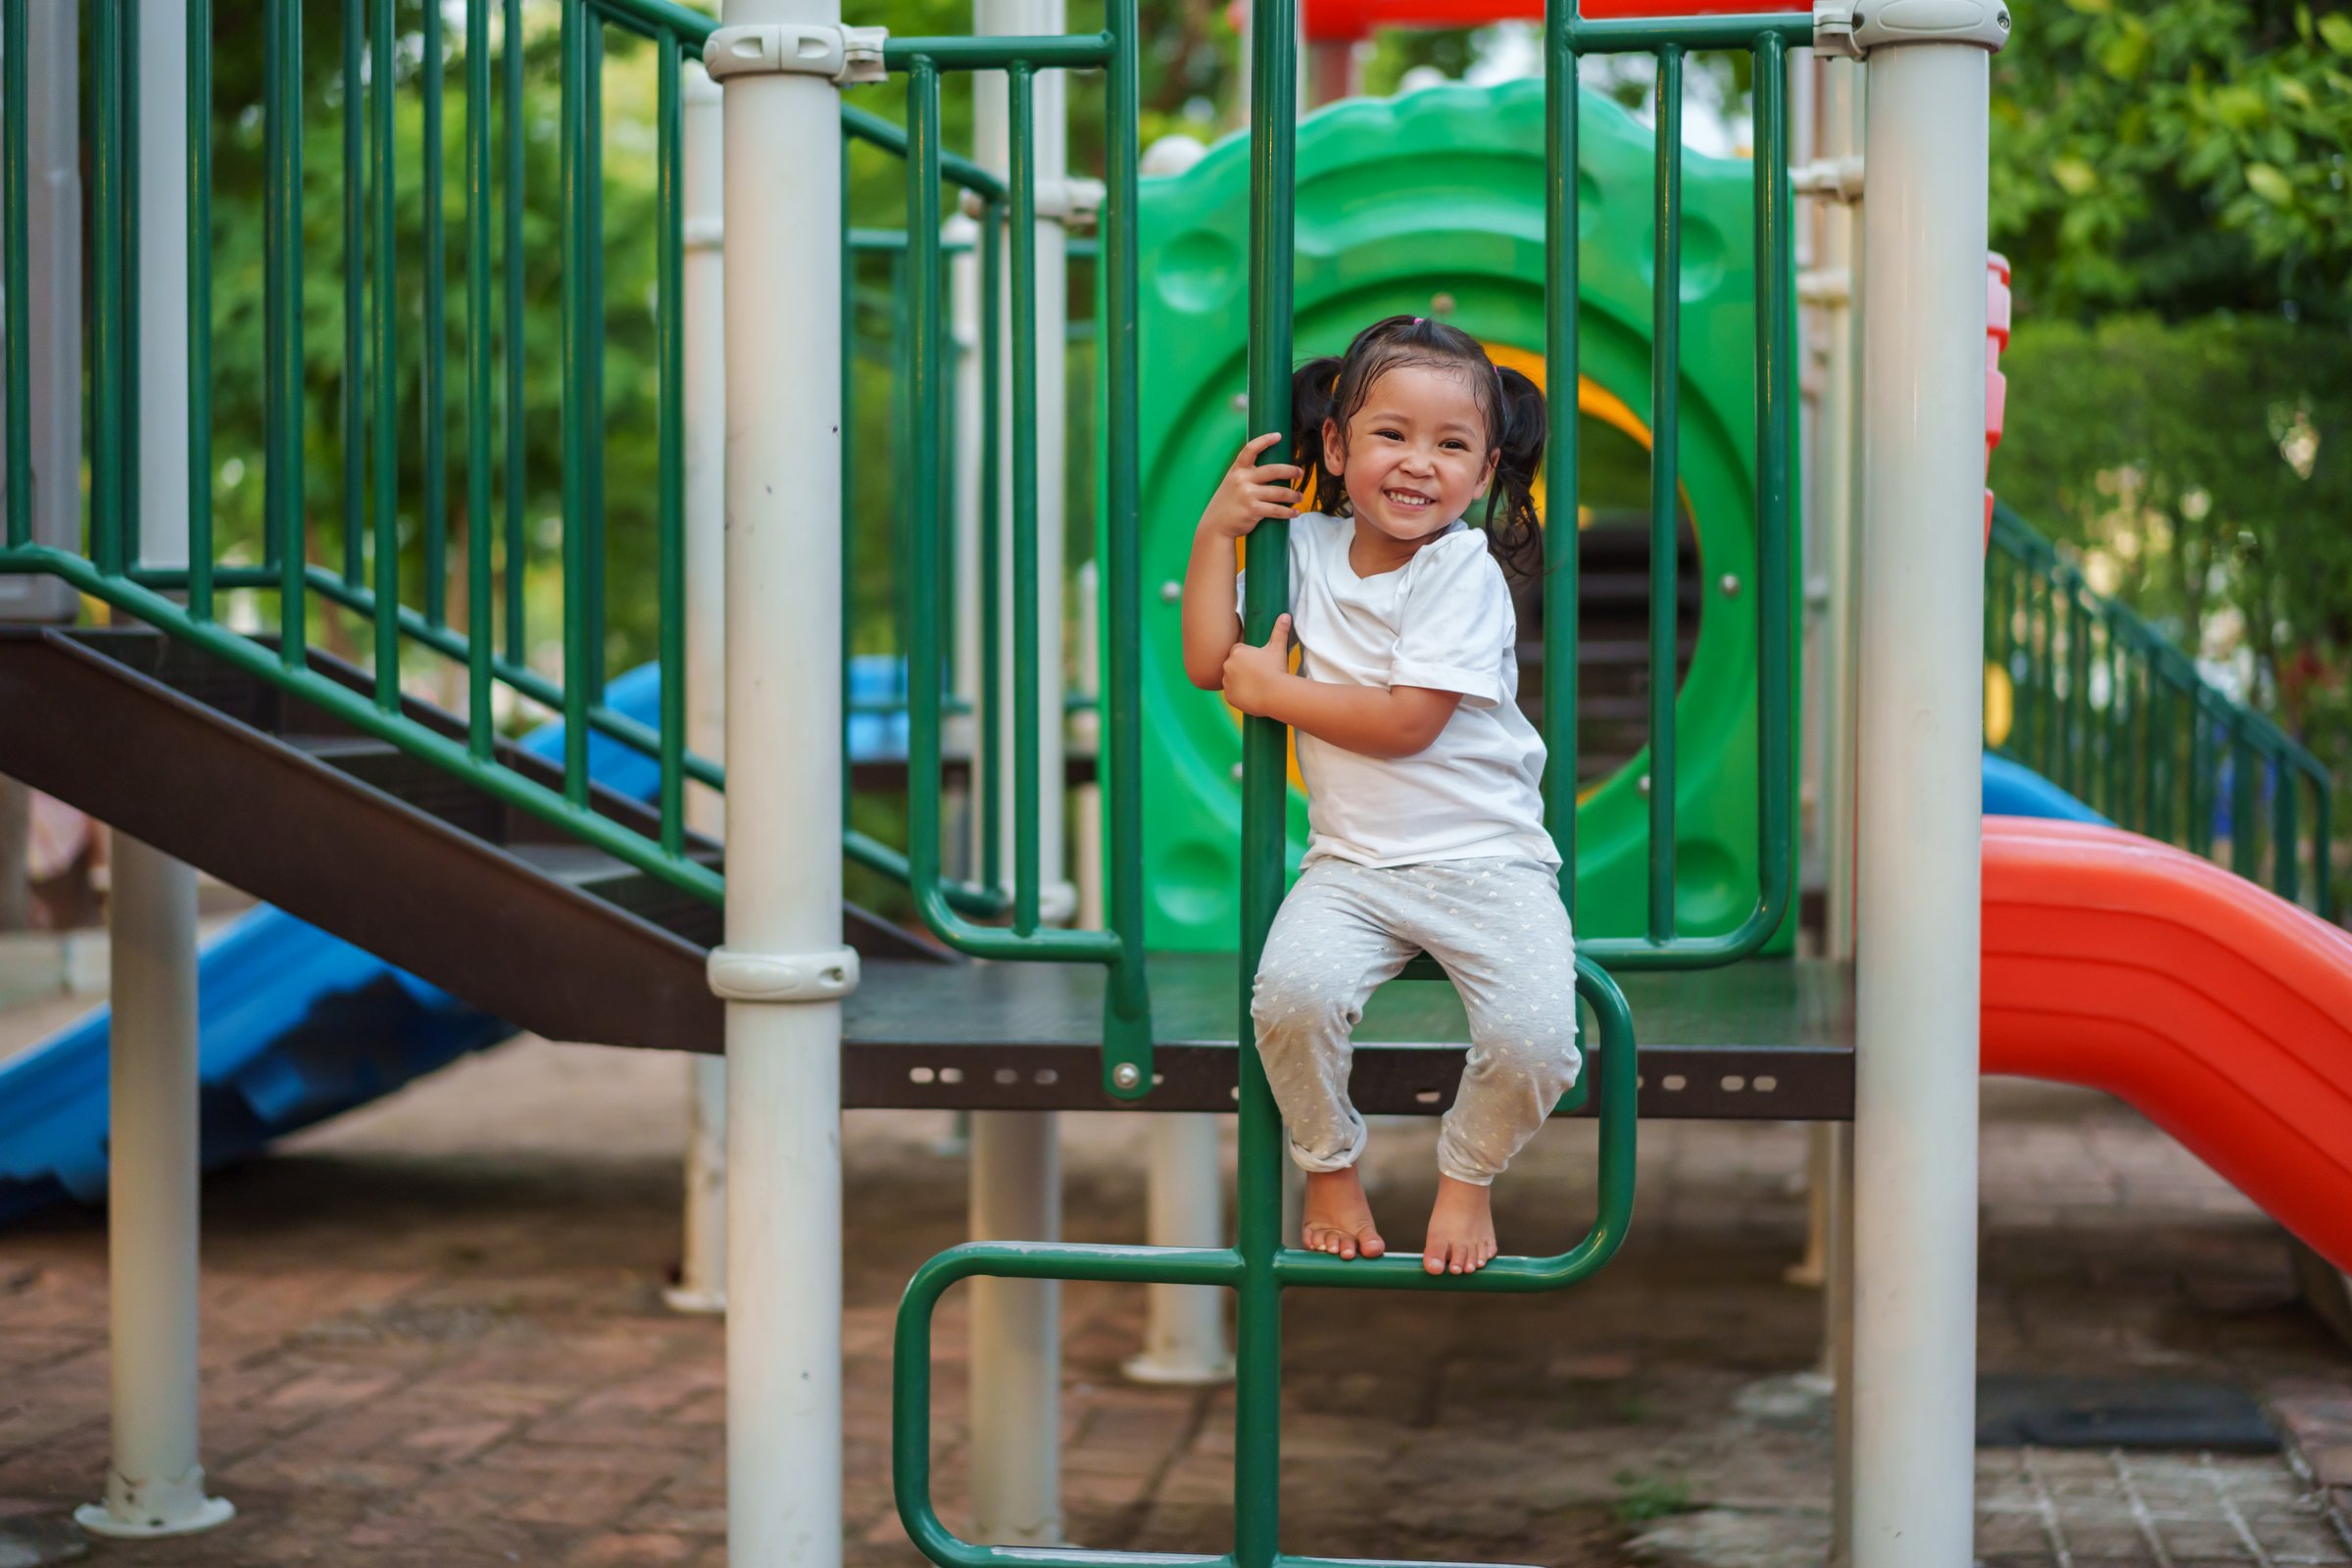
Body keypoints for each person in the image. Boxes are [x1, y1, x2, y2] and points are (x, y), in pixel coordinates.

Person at [1179, 314, 1580, 1276]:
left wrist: (1276, 693)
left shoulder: (1461, 568)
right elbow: (1207, 660)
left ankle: (1468, 1173)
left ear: (1484, 474)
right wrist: (1216, 532)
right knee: (1291, 997)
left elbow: (1410, 723)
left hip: (1489, 864)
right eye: (1391, 434)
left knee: (1536, 1039)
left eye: (1452, 446)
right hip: (1354, 867)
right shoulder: (1300, 550)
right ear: (1335, 444)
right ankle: (1328, 1162)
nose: (1418, 464)